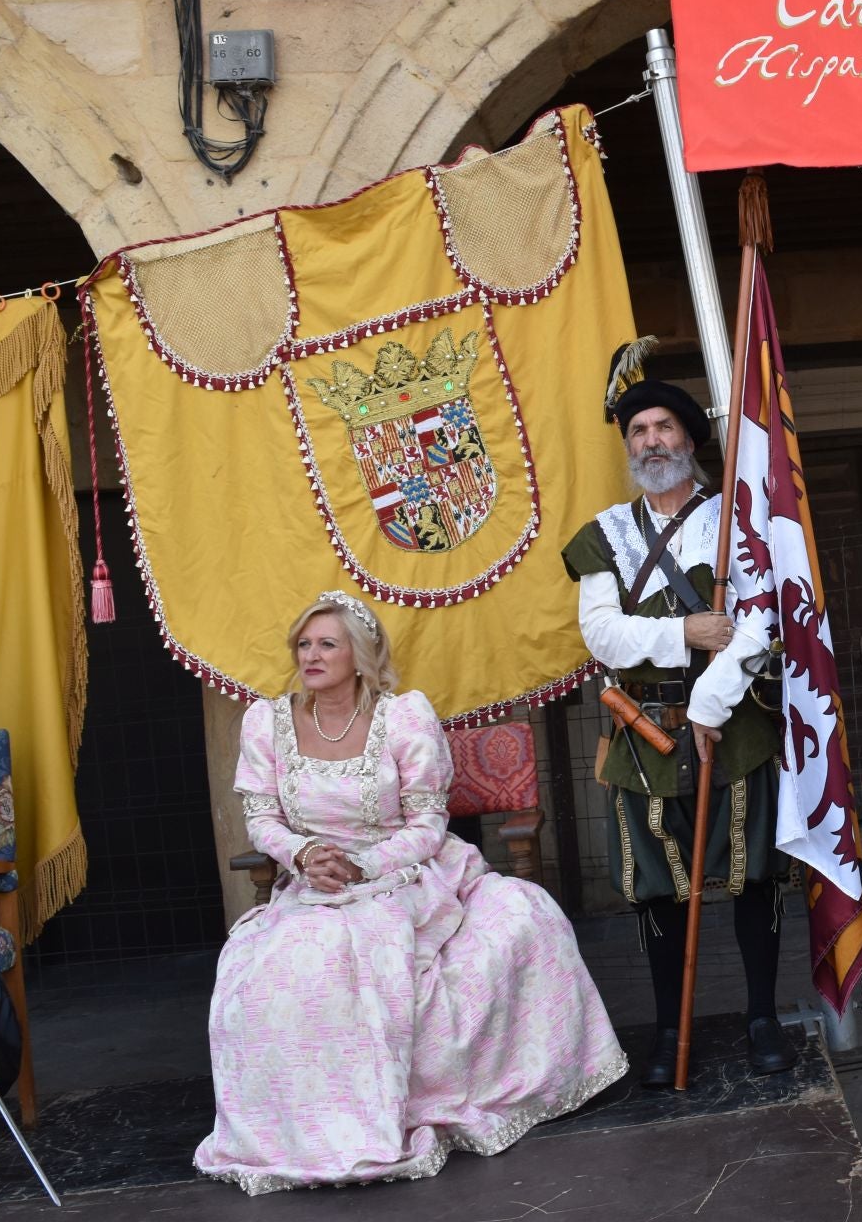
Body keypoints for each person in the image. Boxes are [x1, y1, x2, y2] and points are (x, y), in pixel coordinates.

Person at [195, 591, 626, 1195]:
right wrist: (305, 854)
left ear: (361, 655)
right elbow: (262, 818)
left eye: (327, 644)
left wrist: (364, 865)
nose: (310, 655)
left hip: (404, 872)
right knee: (281, 972)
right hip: (314, 880)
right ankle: (308, 1130)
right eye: (304, 644)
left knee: (520, 915)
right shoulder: (267, 722)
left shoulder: (402, 717)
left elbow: (427, 823)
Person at [563, 341, 795, 1087]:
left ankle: (763, 1018)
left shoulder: (736, 518)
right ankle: (671, 1028)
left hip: (735, 724)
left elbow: (759, 621)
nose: (652, 441)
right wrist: (685, 632)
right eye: (639, 431)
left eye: (664, 427)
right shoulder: (606, 533)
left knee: (754, 875)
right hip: (644, 738)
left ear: (690, 440)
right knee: (657, 888)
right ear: (628, 447)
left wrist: (709, 698)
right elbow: (602, 635)